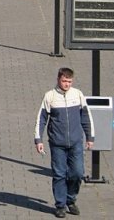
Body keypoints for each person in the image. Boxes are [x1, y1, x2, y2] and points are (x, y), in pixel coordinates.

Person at [34, 68, 95, 218]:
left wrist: (90, 137)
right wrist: (38, 140)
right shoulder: (50, 96)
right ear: (58, 79)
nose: (67, 84)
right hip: (57, 143)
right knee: (59, 174)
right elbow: (41, 119)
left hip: (75, 142)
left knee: (77, 172)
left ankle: (71, 199)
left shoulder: (78, 94)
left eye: (69, 81)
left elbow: (86, 117)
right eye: (64, 81)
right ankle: (60, 205)